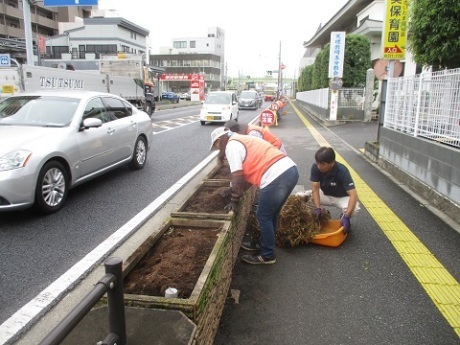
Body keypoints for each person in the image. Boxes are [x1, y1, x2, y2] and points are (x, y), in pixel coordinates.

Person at [210, 127, 299, 265]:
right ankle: (264, 245)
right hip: (289, 171)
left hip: (276, 177)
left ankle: (267, 255)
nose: (217, 148)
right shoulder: (242, 139)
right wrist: (233, 190)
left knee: (263, 215)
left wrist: (234, 200)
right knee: (271, 215)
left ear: (219, 141)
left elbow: (238, 177)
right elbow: (245, 180)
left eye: (215, 145)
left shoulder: (231, 146)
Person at [297, 146, 360, 234]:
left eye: (323, 164)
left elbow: (353, 195)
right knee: (300, 197)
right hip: (325, 194)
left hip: (341, 197)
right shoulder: (315, 167)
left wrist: (347, 216)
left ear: (332, 163)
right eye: (318, 163)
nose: (319, 166)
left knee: (354, 208)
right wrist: (317, 207)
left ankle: (344, 218)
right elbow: (315, 189)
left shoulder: (342, 171)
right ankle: (320, 214)